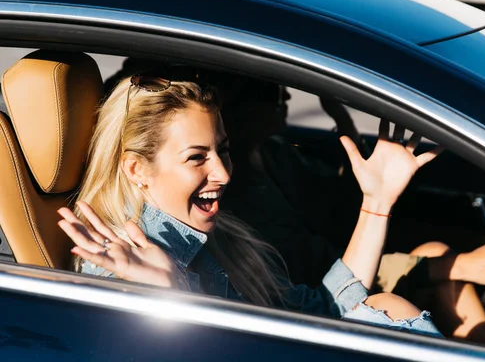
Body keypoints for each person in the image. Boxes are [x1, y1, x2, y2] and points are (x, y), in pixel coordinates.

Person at [56, 69, 444, 337]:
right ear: (137, 168)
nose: (223, 173)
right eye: (196, 157)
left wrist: (376, 203)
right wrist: (172, 295)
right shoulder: (119, 267)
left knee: (386, 306)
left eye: (222, 151)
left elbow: (321, 312)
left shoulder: (216, 237)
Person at [215, 76, 485, 345]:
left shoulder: (276, 155)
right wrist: (454, 266)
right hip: (330, 307)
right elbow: (324, 283)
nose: (285, 94)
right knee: (441, 265)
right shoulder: (233, 199)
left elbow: (340, 208)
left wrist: (345, 128)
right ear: (236, 107)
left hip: (344, 282)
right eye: (270, 90)